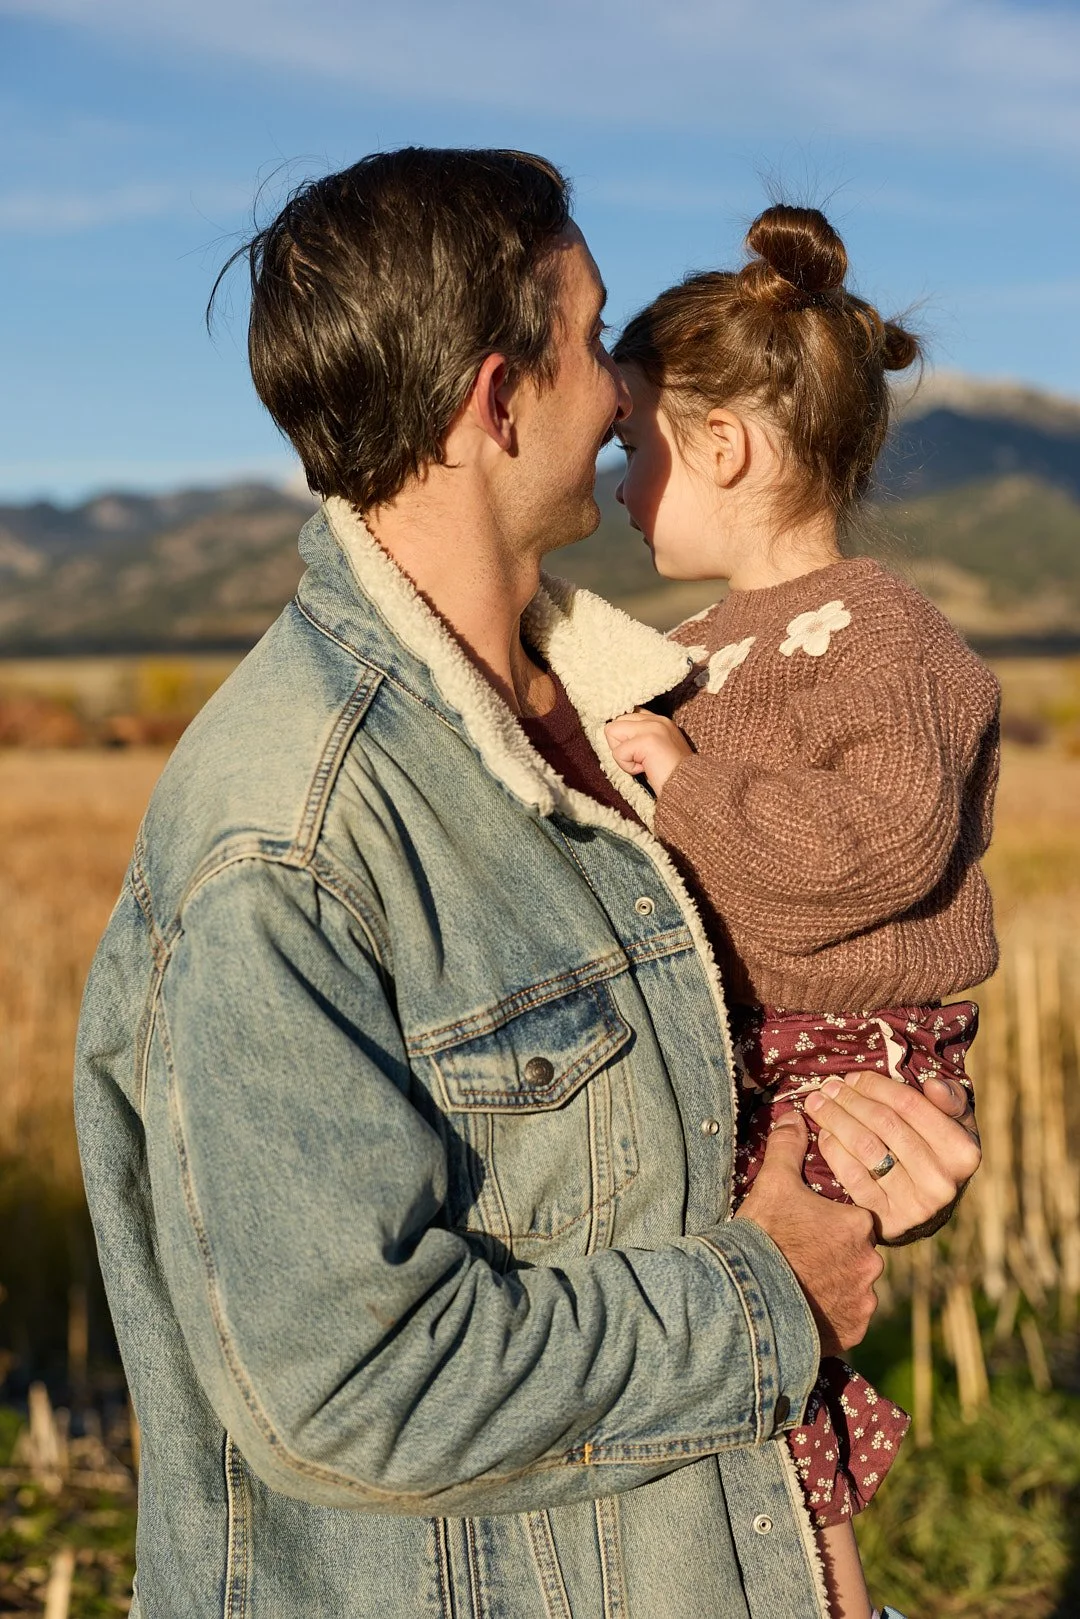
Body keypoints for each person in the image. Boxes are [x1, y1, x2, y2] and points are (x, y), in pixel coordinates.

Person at [75, 152, 979, 1619]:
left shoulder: (635, 719)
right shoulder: (288, 839)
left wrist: (868, 1148)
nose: (627, 393)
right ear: (500, 400)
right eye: (595, 338)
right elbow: (352, 1388)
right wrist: (769, 1293)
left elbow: (669, 1159)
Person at [604, 204, 998, 1619]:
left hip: (849, 1056)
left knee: (776, 1364)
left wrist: (686, 783)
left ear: (725, 445)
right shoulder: (680, 650)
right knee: (714, 1368)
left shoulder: (887, 634)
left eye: (633, 446)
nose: (619, 486)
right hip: (749, 1045)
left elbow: (882, 850)